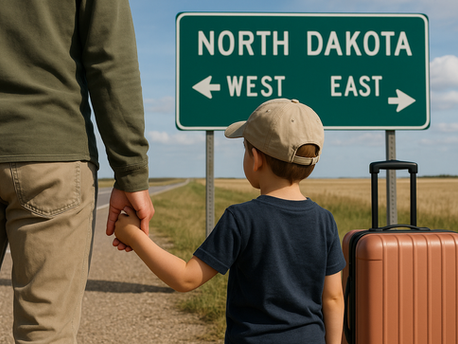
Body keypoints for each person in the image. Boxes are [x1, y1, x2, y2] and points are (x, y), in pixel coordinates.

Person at [114, 98, 346, 343]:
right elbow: (332, 298)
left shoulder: (241, 218)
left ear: (256, 158)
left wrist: (133, 235)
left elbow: (185, 278)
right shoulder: (325, 221)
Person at [0, 0, 154, 343]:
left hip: (49, 154)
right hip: (50, 154)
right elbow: (110, 59)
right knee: (45, 331)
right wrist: (131, 171)